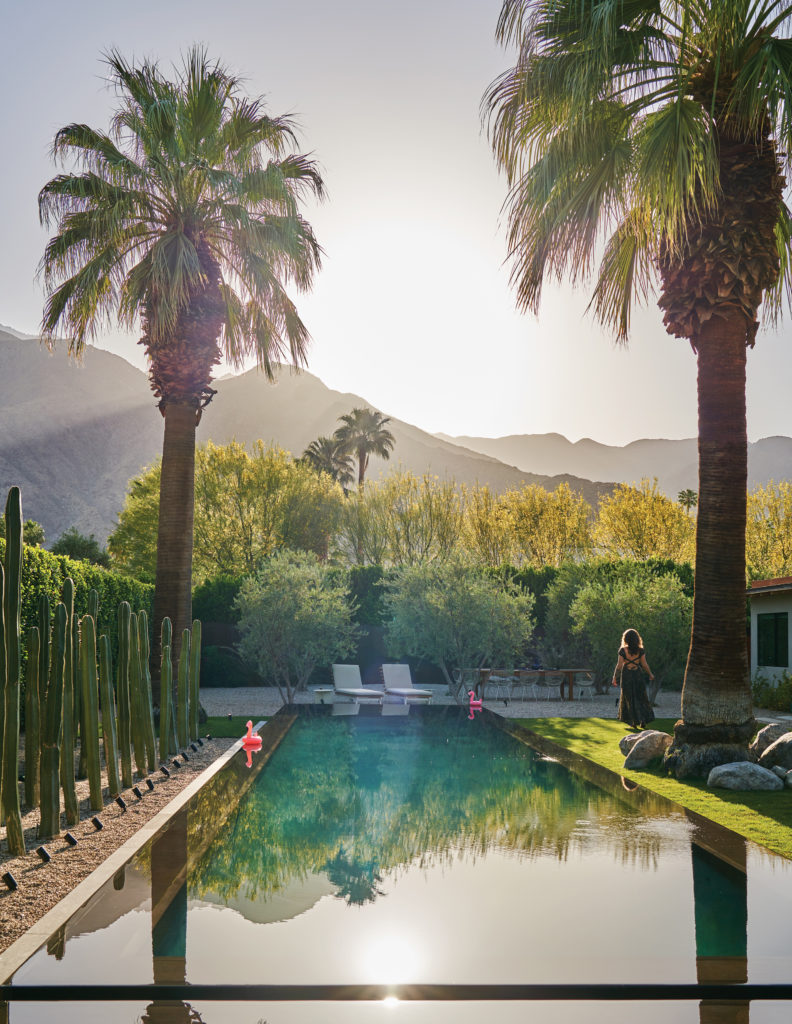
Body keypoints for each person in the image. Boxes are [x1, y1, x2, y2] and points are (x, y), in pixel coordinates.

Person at [612, 628, 655, 730]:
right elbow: (644, 665)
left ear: (625, 639)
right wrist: (650, 674)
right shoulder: (640, 650)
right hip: (637, 674)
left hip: (627, 675)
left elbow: (619, 666)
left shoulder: (623, 650)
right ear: (637, 639)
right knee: (641, 697)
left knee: (628, 698)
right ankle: (642, 720)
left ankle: (633, 722)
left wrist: (614, 677)